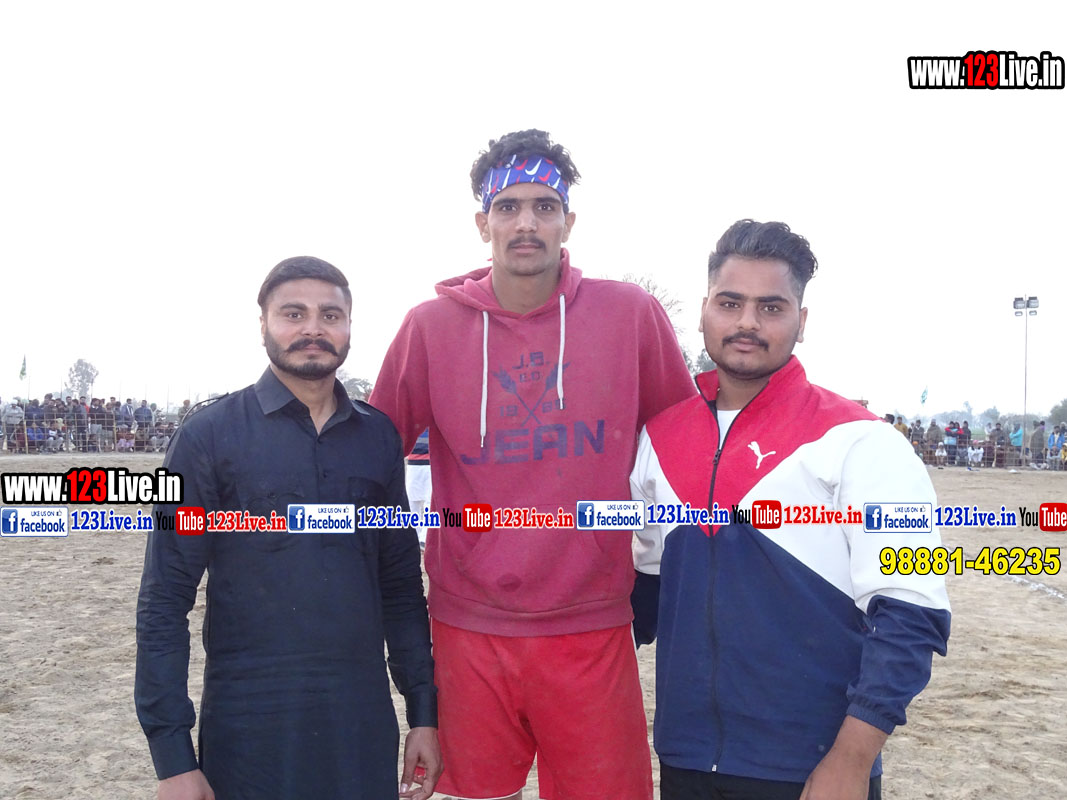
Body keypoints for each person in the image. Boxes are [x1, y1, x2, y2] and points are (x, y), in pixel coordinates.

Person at [370, 129, 696, 800]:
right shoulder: (428, 327)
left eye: (544, 207)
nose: (526, 222)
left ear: (568, 222)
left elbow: (684, 450)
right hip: (467, 625)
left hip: (592, 623)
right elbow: (369, 456)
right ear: (482, 222)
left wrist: (658, 572)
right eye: (509, 206)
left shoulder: (630, 315)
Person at [631, 220, 951, 800]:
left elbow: (911, 613)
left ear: (802, 322)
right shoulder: (658, 438)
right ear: (704, 311)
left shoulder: (862, 440)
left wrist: (850, 762)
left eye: (771, 307)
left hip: (811, 770)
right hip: (684, 761)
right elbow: (641, 594)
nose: (747, 322)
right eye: (730, 303)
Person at [135, 256, 440, 800]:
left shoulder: (378, 437)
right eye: (293, 314)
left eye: (330, 315)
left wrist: (423, 713)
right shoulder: (207, 436)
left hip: (360, 722)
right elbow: (164, 599)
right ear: (263, 324)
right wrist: (172, 757)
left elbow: (399, 587)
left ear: (349, 326)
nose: (313, 329)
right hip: (248, 726)